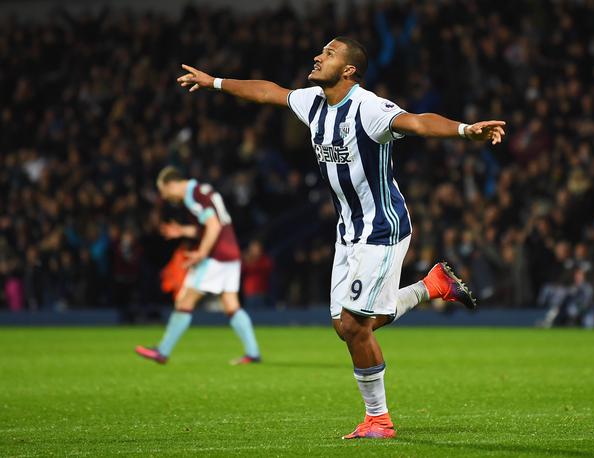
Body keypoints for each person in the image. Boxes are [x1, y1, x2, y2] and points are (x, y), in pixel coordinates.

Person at [177, 36, 505, 439]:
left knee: (354, 323)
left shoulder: (368, 108)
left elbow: (417, 121)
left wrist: (464, 130)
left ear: (349, 70)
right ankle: (430, 286)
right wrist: (214, 82)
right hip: (348, 230)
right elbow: (268, 93)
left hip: (382, 228)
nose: (317, 56)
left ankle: (379, 420)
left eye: (329, 54)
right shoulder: (313, 102)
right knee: (344, 324)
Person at [135, 166, 261, 365]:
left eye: (163, 190)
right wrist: (183, 231)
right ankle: (253, 352)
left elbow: (213, 225)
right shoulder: (203, 190)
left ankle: (163, 351)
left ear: (172, 184)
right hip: (231, 252)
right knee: (231, 304)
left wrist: (202, 253)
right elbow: (210, 224)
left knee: (185, 300)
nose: (164, 196)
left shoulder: (192, 195)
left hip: (215, 255)